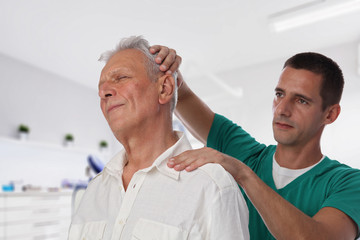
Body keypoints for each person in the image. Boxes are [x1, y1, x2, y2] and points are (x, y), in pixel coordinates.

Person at [149, 46, 360, 240]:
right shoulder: (244, 151)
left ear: (330, 114)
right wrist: (167, 67)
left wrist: (244, 174)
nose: (282, 110)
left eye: (301, 100)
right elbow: (181, 96)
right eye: (279, 95)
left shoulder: (348, 183)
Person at [68, 36, 250, 240]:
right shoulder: (95, 190)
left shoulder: (211, 187)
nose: (103, 92)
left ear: (164, 88)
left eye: (121, 78)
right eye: (101, 87)